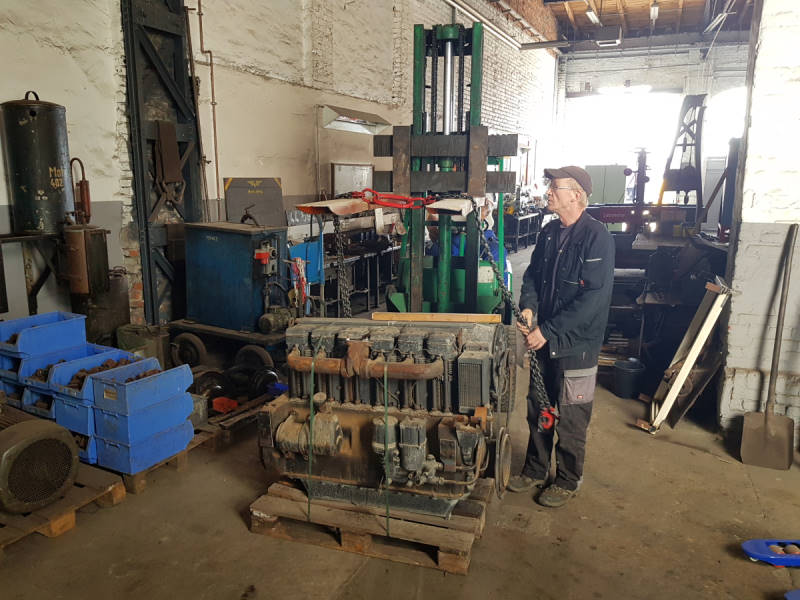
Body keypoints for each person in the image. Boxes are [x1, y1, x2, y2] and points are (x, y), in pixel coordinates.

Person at [509, 166, 614, 508]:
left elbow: (592, 298)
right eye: (550, 187)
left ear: (577, 195)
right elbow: (533, 276)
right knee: (540, 407)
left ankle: (568, 479)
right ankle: (535, 469)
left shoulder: (597, 237)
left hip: (576, 344)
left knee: (571, 414)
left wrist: (548, 330)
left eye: (556, 188)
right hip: (545, 340)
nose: (548, 193)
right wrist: (528, 308)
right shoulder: (549, 233)